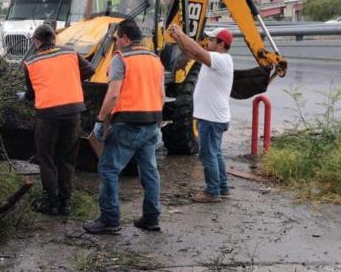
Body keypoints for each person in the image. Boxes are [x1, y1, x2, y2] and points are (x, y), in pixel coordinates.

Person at [84, 19, 165, 234]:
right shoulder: (155, 59)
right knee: (149, 171)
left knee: (108, 169)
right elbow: (162, 95)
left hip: (128, 124)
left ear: (125, 38)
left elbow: (113, 95)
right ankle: (151, 218)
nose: (116, 43)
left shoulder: (121, 59)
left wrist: (100, 121)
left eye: (117, 38)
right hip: (151, 124)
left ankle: (109, 219)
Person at [23, 25, 95, 216]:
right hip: (73, 114)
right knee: (67, 159)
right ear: (54, 38)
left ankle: (52, 204)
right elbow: (90, 70)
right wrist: (69, 78)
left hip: (47, 116)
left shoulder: (30, 62)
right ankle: (66, 203)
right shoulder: (70, 53)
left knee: (47, 160)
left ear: (36, 41)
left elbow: (31, 94)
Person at [169, 24, 234, 203]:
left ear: (221, 44)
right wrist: (179, 39)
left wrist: (182, 33)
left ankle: (212, 191)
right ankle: (222, 187)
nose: (209, 42)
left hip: (212, 119)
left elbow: (196, 50)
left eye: (212, 40)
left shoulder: (220, 60)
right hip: (215, 117)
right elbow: (190, 53)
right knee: (216, 153)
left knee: (208, 155)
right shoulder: (215, 59)